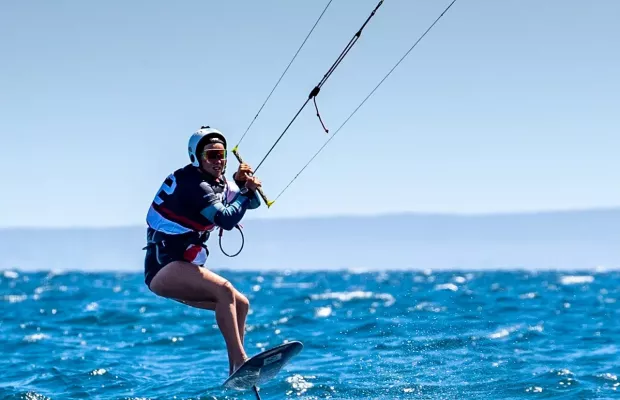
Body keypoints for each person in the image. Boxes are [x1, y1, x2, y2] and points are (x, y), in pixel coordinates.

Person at [143, 125, 262, 376]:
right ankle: (241, 362)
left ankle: (235, 370)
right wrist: (243, 192)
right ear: (197, 158)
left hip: (183, 265)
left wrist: (243, 185)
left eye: (221, 154)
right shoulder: (194, 184)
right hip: (163, 267)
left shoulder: (216, 183)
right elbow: (227, 220)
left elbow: (253, 202)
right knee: (224, 291)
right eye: (211, 155)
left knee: (241, 304)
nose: (218, 161)